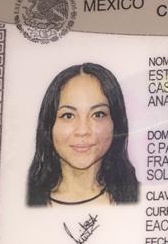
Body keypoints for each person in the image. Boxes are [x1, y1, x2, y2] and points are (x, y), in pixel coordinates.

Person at [27, 62, 139, 205]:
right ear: (49, 126)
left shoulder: (143, 197)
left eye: (98, 114)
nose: (83, 131)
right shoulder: (21, 199)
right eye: (68, 116)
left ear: (115, 124)